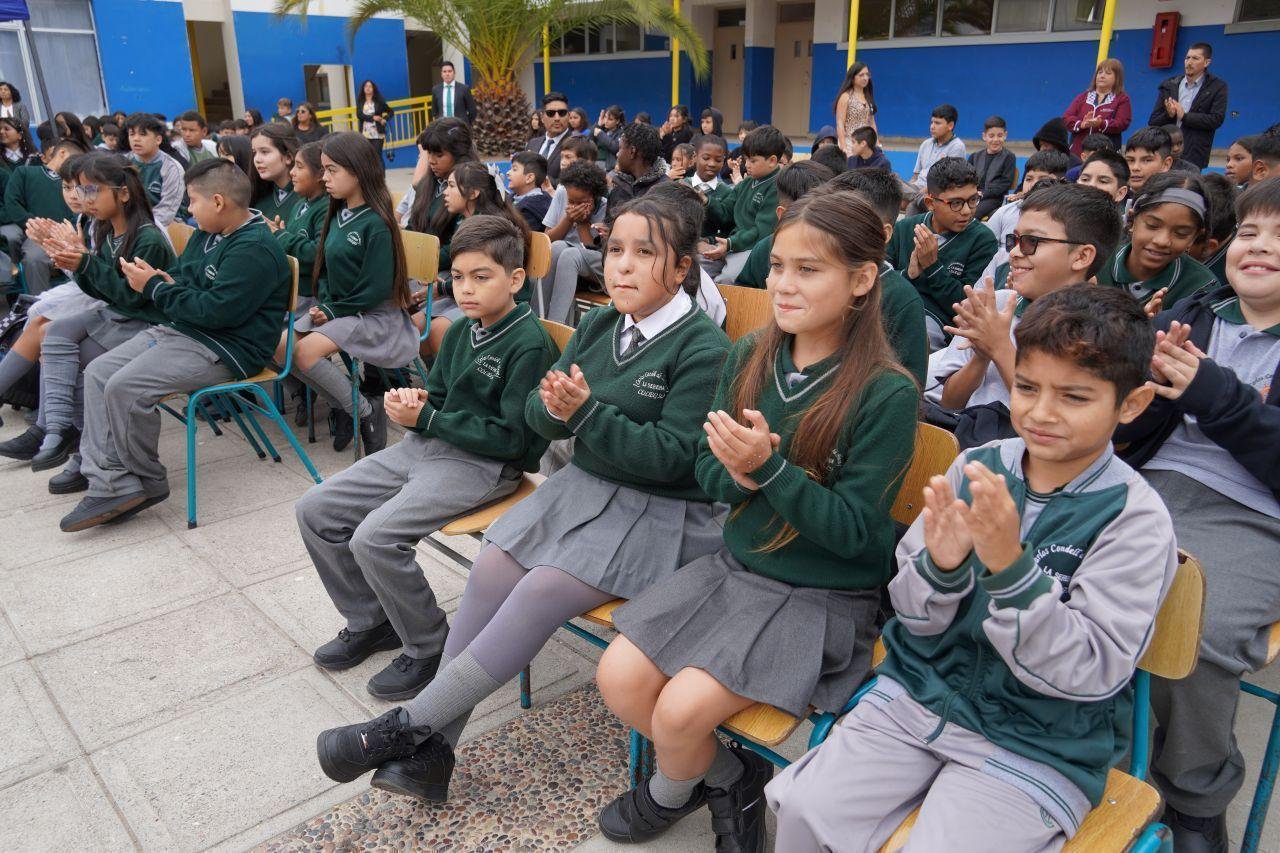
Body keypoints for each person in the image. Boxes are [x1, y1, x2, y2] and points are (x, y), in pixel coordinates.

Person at [311, 193, 730, 808]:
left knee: (539, 589)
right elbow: (539, 414)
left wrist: (585, 413)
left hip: (663, 512)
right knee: (494, 564)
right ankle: (435, 751)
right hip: (587, 489)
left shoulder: (703, 348)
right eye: (615, 250)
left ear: (682, 267)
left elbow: (674, 459)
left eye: (645, 254)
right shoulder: (602, 324)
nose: (622, 266)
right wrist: (560, 407)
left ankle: (405, 730)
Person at [770, 283, 1175, 852]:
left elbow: (1093, 670)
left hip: (1037, 741)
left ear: (1130, 404)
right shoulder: (980, 466)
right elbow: (913, 616)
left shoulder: (1135, 520)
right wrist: (940, 565)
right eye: (1028, 387)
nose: (1040, 412)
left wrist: (1012, 570)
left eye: (1075, 397)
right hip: (917, 698)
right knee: (805, 809)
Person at [596, 190, 917, 851]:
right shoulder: (748, 356)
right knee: (619, 676)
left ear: (861, 280)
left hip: (821, 592)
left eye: (809, 269)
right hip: (736, 566)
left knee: (680, 710)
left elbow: (858, 533)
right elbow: (708, 475)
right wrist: (740, 471)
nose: (784, 284)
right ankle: (732, 775)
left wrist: (770, 471)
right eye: (777, 266)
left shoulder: (886, 391)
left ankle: (670, 792)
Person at [296, 214, 557, 698]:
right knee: (315, 509)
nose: (466, 290)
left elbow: (517, 444)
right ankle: (371, 619)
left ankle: (427, 644)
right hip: (427, 446)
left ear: (516, 279)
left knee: (374, 538)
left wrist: (432, 420)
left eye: (482, 277)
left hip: (485, 465)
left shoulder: (529, 344)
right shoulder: (458, 332)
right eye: (458, 278)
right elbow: (436, 398)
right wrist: (413, 405)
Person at [1114, 178, 1280, 852]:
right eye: (1250, 231)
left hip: (1256, 516)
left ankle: (1193, 794)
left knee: (1196, 631)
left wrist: (1219, 395)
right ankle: (1084, 757)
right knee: (1054, 574)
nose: (1260, 245)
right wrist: (1148, 386)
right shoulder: (1197, 309)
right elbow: (1137, 429)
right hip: (1150, 487)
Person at [57, 158, 290, 531]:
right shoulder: (210, 232)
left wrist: (154, 286)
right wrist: (160, 278)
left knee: (125, 388)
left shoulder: (253, 248)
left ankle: (145, 482)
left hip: (226, 347)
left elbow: (216, 313)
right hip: (189, 330)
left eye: (192, 202)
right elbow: (185, 276)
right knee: (99, 373)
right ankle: (110, 478)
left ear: (217, 202)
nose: (189, 210)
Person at [925, 184, 1122, 441]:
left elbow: (1053, 417)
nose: (1015, 252)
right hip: (965, 437)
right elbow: (950, 403)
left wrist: (1000, 347)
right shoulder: (997, 305)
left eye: (1032, 242)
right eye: (1014, 240)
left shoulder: (1100, 329)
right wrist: (980, 358)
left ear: (1082, 256)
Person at [30, 153, 177, 482]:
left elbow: (130, 298)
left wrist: (83, 262)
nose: (84, 199)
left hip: (148, 324)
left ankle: (85, 450)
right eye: (80, 191)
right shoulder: (107, 231)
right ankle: (59, 427)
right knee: (53, 332)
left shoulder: (147, 238)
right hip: (120, 316)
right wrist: (74, 261)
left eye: (92, 190)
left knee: (83, 361)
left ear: (123, 193)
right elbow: (102, 291)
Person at [281, 132, 418, 455]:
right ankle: (346, 404)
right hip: (344, 311)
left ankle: (366, 413)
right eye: (324, 170)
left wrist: (332, 310)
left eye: (332, 170)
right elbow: (325, 269)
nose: (324, 177)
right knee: (281, 347)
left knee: (305, 353)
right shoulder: (338, 213)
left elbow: (377, 288)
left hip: (375, 315)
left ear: (357, 171)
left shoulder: (376, 222)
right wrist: (326, 305)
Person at [830, 168, 931, 387]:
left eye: (847, 222)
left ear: (884, 234)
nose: (831, 230)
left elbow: (909, 389)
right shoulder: (820, 279)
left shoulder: (901, 299)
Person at [886, 157, 999, 350]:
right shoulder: (905, 229)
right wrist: (908, 275)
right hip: (892, 309)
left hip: (938, 324)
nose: (967, 211)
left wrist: (933, 267)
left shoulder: (983, 240)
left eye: (973, 200)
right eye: (955, 203)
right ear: (931, 203)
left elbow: (966, 306)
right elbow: (879, 282)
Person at [1096, 171, 1219, 312]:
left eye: (1181, 233)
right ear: (1132, 220)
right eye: (1152, 226)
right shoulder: (1097, 264)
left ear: (1195, 236)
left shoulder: (1201, 287)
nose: (1162, 241)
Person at [1, 137, 84, 295]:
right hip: (37, 237)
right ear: (62, 153)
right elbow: (12, 202)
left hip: (71, 235)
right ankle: (38, 307)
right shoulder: (25, 172)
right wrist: (34, 225)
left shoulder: (76, 183)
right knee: (34, 259)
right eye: (75, 159)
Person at [703, 124, 786, 283]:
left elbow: (761, 232)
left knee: (726, 280)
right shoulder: (747, 182)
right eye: (746, 159)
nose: (747, 165)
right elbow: (725, 211)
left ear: (772, 161)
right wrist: (706, 200)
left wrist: (730, 243)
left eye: (753, 160)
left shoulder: (777, 187)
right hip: (733, 243)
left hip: (754, 249)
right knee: (700, 270)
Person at [734, 160, 831, 288]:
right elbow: (745, 293)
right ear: (782, 215)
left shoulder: (837, 250)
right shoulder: (764, 249)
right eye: (777, 265)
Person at [535, 160, 609, 324]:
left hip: (588, 267)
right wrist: (568, 220)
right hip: (559, 263)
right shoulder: (562, 193)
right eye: (571, 202)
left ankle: (556, 327)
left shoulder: (604, 207)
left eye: (580, 202)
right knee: (557, 247)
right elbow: (547, 240)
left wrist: (583, 223)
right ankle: (536, 318)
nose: (574, 205)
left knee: (568, 253)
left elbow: (592, 251)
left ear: (593, 196)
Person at [980, 150, 1072, 276]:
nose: (1033, 185)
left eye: (1043, 179)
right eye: (1029, 179)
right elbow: (984, 245)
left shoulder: (1066, 216)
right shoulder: (1005, 212)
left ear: (1060, 181)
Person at [266, 140, 328, 315]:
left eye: (299, 167)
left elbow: (317, 255)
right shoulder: (300, 205)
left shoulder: (326, 208)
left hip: (310, 297)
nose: (292, 172)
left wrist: (281, 236)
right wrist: (279, 235)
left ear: (320, 174)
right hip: (292, 290)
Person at [1148, 42, 1228, 169]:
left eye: (1195, 58)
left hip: (1194, 153)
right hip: (1165, 150)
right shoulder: (1170, 85)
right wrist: (1169, 115)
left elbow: (1216, 119)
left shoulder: (1217, 87)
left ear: (1206, 62)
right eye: (1187, 58)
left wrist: (1185, 116)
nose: (1189, 62)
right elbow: (1153, 121)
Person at [124, 112, 185, 227]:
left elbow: (167, 210)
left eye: (143, 134)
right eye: (132, 134)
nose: (136, 139)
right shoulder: (123, 163)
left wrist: (143, 228)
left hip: (166, 224)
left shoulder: (172, 167)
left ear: (158, 140)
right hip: (129, 222)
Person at [1063, 58, 1132, 156]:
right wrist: (1082, 124)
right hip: (1078, 152)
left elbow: (1122, 123)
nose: (1102, 76)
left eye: (1108, 73)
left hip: (1106, 153)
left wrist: (1101, 123)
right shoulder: (1083, 96)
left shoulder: (1122, 99)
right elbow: (1066, 118)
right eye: (1100, 73)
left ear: (1117, 78)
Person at [905, 104, 966, 212]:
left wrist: (920, 192)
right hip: (917, 190)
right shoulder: (926, 144)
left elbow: (946, 181)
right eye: (931, 122)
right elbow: (915, 176)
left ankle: (914, 198)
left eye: (937, 123)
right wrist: (907, 189)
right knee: (893, 181)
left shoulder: (957, 147)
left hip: (936, 192)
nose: (932, 126)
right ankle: (913, 197)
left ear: (950, 125)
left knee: (913, 204)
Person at [607, 122, 667, 220]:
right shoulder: (617, 189)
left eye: (620, 148)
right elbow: (608, 224)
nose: (617, 154)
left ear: (632, 152)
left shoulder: (665, 192)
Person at [249, 123, 300, 223]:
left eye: (264, 152)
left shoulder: (306, 197)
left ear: (288, 157)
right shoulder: (257, 200)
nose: (257, 159)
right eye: (254, 152)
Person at [968, 116, 1017, 220]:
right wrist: (972, 193)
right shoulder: (974, 156)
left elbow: (1005, 184)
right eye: (991, 136)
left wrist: (983, 194)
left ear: (1005, 135)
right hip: (972, 196)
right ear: (984, 136)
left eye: (1000, 135)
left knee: (972, 213)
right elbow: (967, 179)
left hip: (994, 199)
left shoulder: (1009, 157)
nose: (995, 140)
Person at [833, 62, 876, 158]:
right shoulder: (845, 97)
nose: (865, 78)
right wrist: (844, 148)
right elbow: (840, 124)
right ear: (852, 78)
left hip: (866, 144)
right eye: (861, 75)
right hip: (851, 143)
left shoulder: (868, 97)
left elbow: (872, 123)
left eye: (867, 74)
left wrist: (877, 143)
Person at [528, 92, 572, 185]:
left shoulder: (577, 145)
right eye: (551, 113)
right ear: (542, 117)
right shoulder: (533, 143)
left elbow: (571, 184)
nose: (557, 118)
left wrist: (536, 174)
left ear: (568, 116)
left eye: (562, 113)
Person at [1124, 125, 1175, 199]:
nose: (1135, 168)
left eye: (1147, 160)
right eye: (1130, 160)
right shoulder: (1117, 197)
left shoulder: (1174, 205)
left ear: (1166, 164)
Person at [507, 151, 551, 232]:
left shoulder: (530, 209)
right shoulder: (510, 199)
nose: (508, 173)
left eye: (514, 169)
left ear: (529, 178)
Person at [358, 80, 394, 160]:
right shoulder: (361, 101)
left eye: (370, 86)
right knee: (367, 157)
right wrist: (373, 118)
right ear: (363, 88)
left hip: (378, 133)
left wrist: (385, 119)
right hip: (365, 134)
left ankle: (381, 172)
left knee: (377, 156)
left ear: (373, 88)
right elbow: (359, 115)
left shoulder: (379, 101)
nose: (368, 88)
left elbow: (391, 111)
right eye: (366, 86)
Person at [432, 61, 476, 125]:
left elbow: (472, 110)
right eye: (444, 71)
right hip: (443, 127)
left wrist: (465, 123)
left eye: (450, 71)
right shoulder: (436, 89)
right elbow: (434, 111)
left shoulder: (464, 89)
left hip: (460, 127)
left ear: (454, 72)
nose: (447, 74)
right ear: (441, 74)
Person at [592, 105, 626, 170]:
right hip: (595, 163)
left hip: (609, 168)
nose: (606, 121)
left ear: (617, 121)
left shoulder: (621, 132)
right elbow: (587, 141)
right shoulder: (602, 129)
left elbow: (615, 147)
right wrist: (598, 125)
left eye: (610, 119)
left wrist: (601, 134)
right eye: (605, 117)